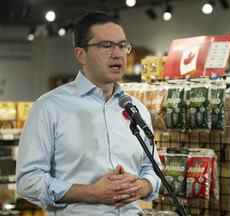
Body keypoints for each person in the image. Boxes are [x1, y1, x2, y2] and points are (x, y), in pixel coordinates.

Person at [16, 11, 161, 216]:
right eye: (106, 46)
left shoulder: (136, 108)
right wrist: (91, 193)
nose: (117, 53)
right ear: (80, 54)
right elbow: (28, 181)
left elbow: (153, 169)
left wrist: (142, 186)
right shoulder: (49, 108)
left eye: (122, 45)